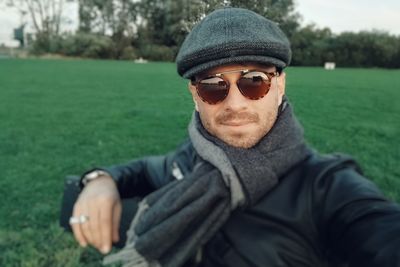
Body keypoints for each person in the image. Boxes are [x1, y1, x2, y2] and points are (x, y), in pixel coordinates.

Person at [67, 7, 400, 267]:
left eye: (254, 81)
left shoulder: (326, 188)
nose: (235, 103)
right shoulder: (192, 158)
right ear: (195, 95)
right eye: (214, 87)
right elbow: (145, 169)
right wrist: (100, 179)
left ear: (280, 85)